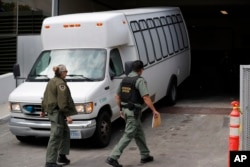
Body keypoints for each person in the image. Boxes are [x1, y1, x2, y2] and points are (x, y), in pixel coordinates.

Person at [106, 60, 160, 167]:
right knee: (129, 134)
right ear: (141, 70)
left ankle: (145, 155)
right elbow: (145, 97)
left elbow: (117, 97)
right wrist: (154, 110)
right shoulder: (139, 80)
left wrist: (121, 109)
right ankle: (113, 157)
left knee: (139, 133)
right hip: (133, 112)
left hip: (126, 111)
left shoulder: (124, 80)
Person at [40, 64, 78, 167]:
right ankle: (50, 162)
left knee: (65, 132)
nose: (67, 72)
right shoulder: (61, 84)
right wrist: (68, 115)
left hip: (55, 112)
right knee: (55, 136)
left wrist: (43, 110)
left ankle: (62, 156)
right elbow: (62, 102)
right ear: (61, 73)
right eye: (65, 71)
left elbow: (45, 96)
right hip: (57, 113)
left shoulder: (51, 81)